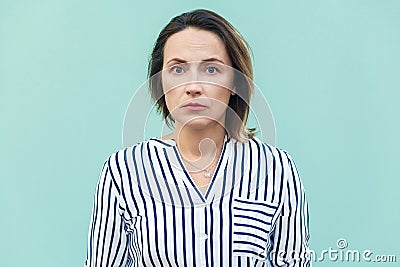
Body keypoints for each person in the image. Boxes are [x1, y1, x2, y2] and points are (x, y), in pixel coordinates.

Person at [85, 9, 310, 267]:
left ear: (236, 82)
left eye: (211, 69)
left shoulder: (276, 169)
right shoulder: (123, 171)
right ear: (160, 82)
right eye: (178, 69)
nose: (193, 87)